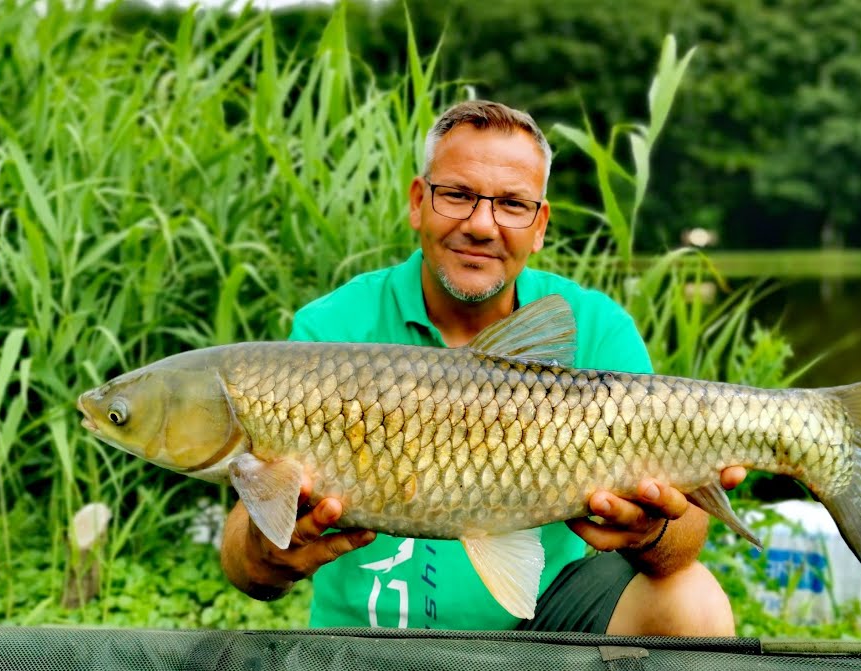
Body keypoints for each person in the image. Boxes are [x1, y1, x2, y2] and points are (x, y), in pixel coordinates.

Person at [219, 99, 747, 635]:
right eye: (457, 195)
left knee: (691, 599)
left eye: (512, 204)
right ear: (418, 202)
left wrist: (650, 533)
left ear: (539, 226)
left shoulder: (595, 327)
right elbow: (245, 550)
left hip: (547, 626)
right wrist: (269, 553)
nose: (481, 224)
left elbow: (684, 538)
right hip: (362, 644)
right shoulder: (333, 330)